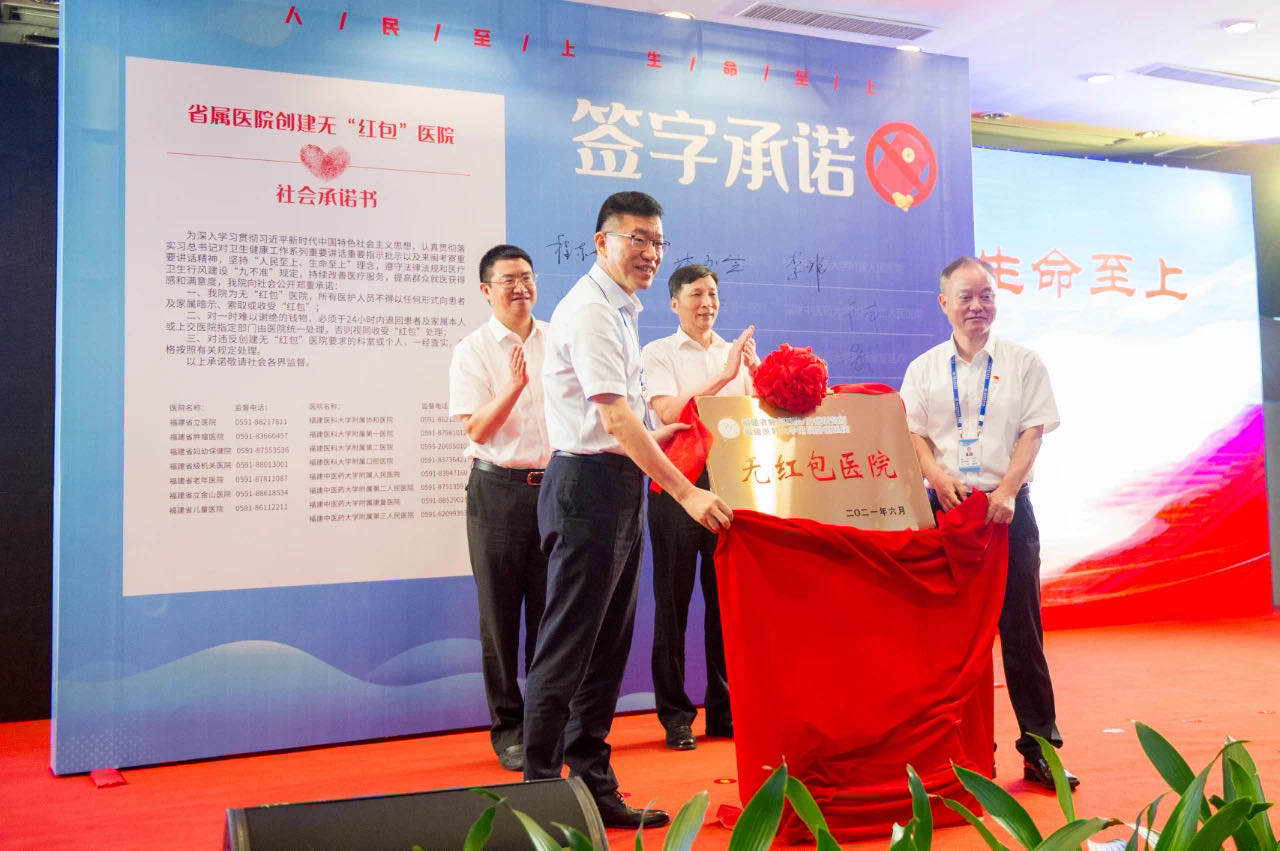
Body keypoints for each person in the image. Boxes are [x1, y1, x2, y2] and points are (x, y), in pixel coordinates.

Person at [522, 192, 734, 830]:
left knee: (607, 648)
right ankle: (541, 799)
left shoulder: (619, 309)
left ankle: (591, 784)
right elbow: (613, 419)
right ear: (603, 241)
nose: (649, 253)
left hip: (615, 485)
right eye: (637, 239)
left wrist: (659, 437)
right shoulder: (591, 311)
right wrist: (686, 491)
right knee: (568, 647)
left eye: (657, 242)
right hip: (586, 489)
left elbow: (624, 420)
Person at [898, 256, 1079, 792]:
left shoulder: (1024, 363)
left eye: (986, 296)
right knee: (950, 639)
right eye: (966, 297)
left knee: (1022, 631)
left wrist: (1007, 491)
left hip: (1007, 510)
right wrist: (935, 476)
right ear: (944, 304)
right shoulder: (923, 368)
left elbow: (1033, 432)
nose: (977, 306)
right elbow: (912, 434)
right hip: (947, 511)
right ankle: (961, 753)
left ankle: (1041, 751)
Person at [642, 264, 757, 751]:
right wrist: (723, 376)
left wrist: (756, 375)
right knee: (672, 605)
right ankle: (675, 716)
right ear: (674, 303)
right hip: (677, 486)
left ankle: (724, 711)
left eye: (712, 294)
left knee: (724, 605)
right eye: (695, 294)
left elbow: (756, 419)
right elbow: (668, 411)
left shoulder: (736, 354)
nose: (706, 303)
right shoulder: (659, 353)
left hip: (730, 485)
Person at [448, 244, 550, 773]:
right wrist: (512, 388)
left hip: (555, 490)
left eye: (526, 277)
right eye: (508, 279)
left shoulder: (557, 340)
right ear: (486, 290)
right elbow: (478, 429)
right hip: (498, 494)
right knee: (500, 619)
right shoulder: (473, 350)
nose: (520, 287)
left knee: (551, 616)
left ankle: (545, 724)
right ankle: (509, 729)